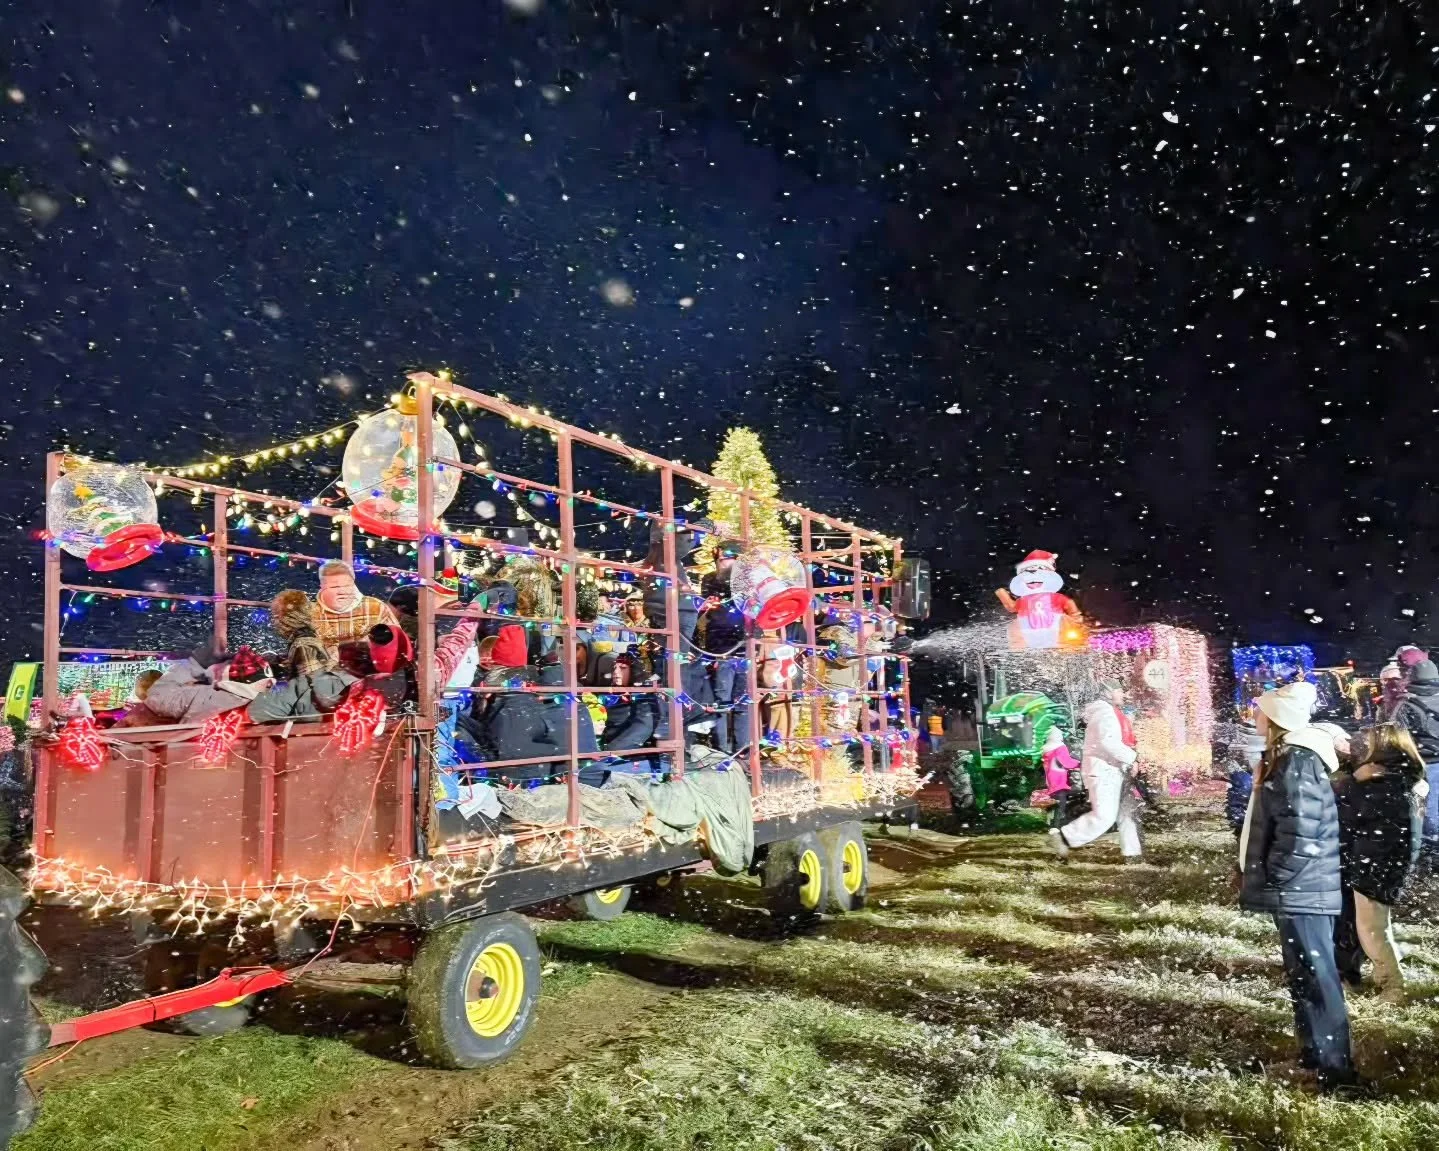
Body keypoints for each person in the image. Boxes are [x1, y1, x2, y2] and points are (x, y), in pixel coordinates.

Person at [1239, 681, 1358, 1092]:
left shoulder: (1297, 759)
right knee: (1306, 974)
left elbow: (1302, 828)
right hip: (1300, 884)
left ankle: (1337, 1073)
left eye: (1259, 710)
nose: (1254, 716)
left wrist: (1280, 875)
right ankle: (1315, 1058)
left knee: (1317, 976)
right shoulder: (1287, 757)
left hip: (1302, 885)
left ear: (1275, 719)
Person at [1332, 723, 1428, 1002]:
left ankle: (1393, 986)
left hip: (1374, 865)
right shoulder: (1405, 777)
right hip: (1384, 862)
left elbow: (1351, 814)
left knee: (1371, 928)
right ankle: (1384, 976)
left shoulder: (1383, 783)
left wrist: (1353, 781)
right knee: (1375, 926)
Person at [1051, 681, 1141, 861]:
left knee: (1126, 812)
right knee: (1105, 817)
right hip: (1104, 772)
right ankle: (1065, 837)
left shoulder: (1106, 712)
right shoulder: (1105, 713)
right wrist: (1132, 758)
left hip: (1111, 770)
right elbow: (1108, 742)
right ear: (1108, 693)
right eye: (1119, 690)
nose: (1123, 694)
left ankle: (1133, 853)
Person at [145, 644, 275, 724]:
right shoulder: (267, 704)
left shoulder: (203, 696)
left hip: (190, 759)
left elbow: (156, 697)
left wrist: (193, 664)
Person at [1392, 659, 1439, 862]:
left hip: (1422, 765)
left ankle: (1429, 852)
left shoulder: (1405, 706)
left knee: (1424, 809)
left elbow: (1397, 738)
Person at [312, 559, 398, 667]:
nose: (342, 591)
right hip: (326, 679)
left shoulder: (376, 608)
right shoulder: (310, 615)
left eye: (347, 586)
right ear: (322, 586)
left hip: (370, 676)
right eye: (334, 587)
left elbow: (396, 643)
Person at [1040, 726, 1080, 829]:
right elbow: (1067, 762)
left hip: (1050, 779)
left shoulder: (1045, 749)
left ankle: (1050, 823)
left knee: (1055, 801)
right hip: (1060, 779)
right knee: (1061, 802)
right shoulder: (1060, 747)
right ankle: (1057, 826)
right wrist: (1080, 763)